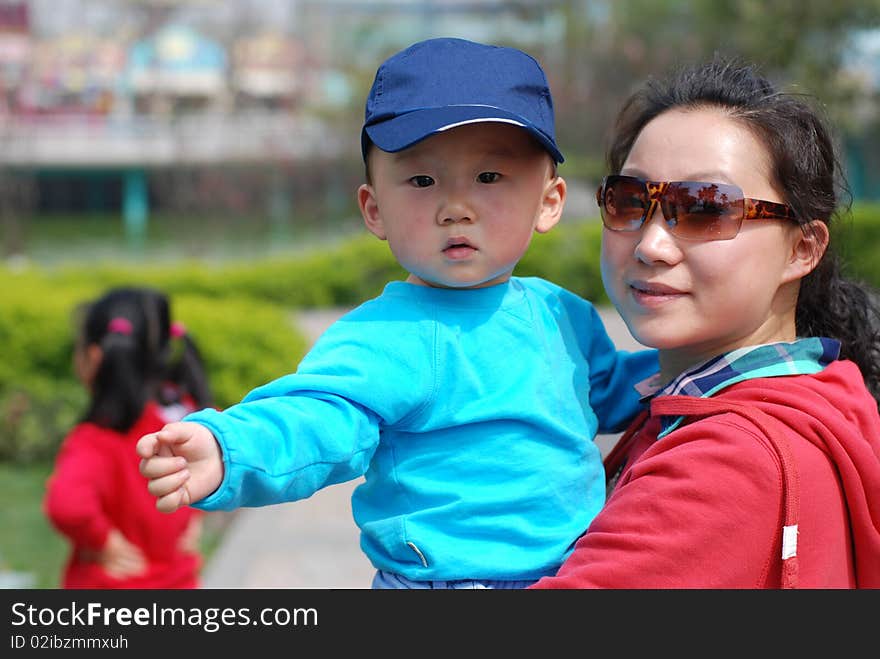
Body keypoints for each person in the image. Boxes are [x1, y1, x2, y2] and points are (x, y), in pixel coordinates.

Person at [136, 37, 658, 589]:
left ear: (548, 202)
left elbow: (613, 387)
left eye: (489, 178)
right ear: (375, 208)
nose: (456, 207)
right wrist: (230, 448)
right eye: (422, 181)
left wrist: (716, 363)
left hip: (575, 575)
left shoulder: (560, 315)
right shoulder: (387, 337)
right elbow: (315, 416)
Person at [531, 56, 880, 589]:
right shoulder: (823, 392)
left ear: (802, 249)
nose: (650, 245)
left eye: (706, 208)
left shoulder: (725, 464)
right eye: (629, 201)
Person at [44, 286, 213, 589]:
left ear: (94, 358)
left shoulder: (96, 438)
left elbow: (67, 504)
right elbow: (215, 465)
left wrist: (103, 541)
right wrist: (197, 514)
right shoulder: (188, 420)